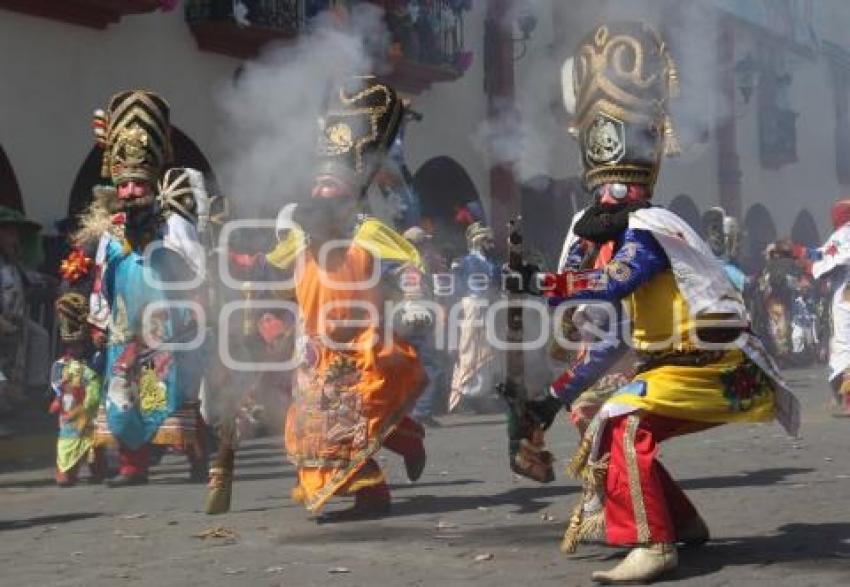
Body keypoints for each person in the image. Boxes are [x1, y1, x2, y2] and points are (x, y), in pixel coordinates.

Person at [515, 22, 799, 583]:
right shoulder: (614, 231)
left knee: (622, 423)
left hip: (713, 365)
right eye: (601, 196)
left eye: (614, 194)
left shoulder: (650, 228)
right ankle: (684, 522)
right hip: (670, 365)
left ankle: (654, 543)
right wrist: (553, 394)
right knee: (606, 418)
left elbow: (620, 279)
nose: (608, 201)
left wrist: (549, 286)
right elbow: (610, 330)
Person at [237, 76, 432, 519]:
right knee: (311, 427)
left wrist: (414, 299)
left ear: (353, 193)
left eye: (334, 186)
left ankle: (372, 492)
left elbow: (408, 264)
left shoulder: (369, 234)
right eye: (318, 185)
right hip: (314, 351)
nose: (323, 193)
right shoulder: (298, 241)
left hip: (363, 345)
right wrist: (250, 293)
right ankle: (404, 438)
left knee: (346, 425)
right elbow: (272, 275)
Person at [76, 91, 207, 486]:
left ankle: (197, 457)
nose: (131, 191)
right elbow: (103, 277)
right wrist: (98, 319)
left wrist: (198, 310)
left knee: (177, 391)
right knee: (124, 395)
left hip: (169, 325)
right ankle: (133, 466)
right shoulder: (110, 233)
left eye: (138, 184)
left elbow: (197, 269)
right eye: (126, 185)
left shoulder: (174, 225)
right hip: (124, 328)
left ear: (151, 183)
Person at [50, 291, 106, 486]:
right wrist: (57, 399)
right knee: (67, 444)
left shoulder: (95, 360)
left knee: (95, 443)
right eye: (71, 345)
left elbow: (99, 375)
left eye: (79, 344)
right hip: (70, 413)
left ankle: (98, 470)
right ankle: (66, 472)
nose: (76, 349)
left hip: (92, 410)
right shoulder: (61, 364)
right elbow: (57, 385)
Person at [0, 206, 50, 415]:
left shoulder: (12, 263)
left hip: (15, 322)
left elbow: (34, 281)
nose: (15, 237)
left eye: (16, 232)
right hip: (4, 323)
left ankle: (34, 388)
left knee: (39, 336)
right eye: (9, 232)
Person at [448, 222, 502, 413]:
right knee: (468, 349)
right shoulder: (462, 262)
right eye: (486, 239)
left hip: (489, 307)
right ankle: (465, 396)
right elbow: (455, 289)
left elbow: (497, 286)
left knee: (487, 352)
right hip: (470, 306)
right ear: (476, 240)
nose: (491, 242)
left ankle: (481, 396)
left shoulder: (494, 263)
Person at [404, 226, 446, 427]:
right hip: (417, 319)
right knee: (431, 366)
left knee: (418, 367)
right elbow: (414, 295)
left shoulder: (410, 263)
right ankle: (420, 411)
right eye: (424, 242)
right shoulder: (412, 265)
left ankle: (418, 411)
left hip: (411, 320)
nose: (427, 246)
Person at [813, 198, 850, 415]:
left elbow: (824, 259)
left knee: (844, 344)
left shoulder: (842, 235)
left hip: (846, 295)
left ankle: (847, 399)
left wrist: (803, 255)